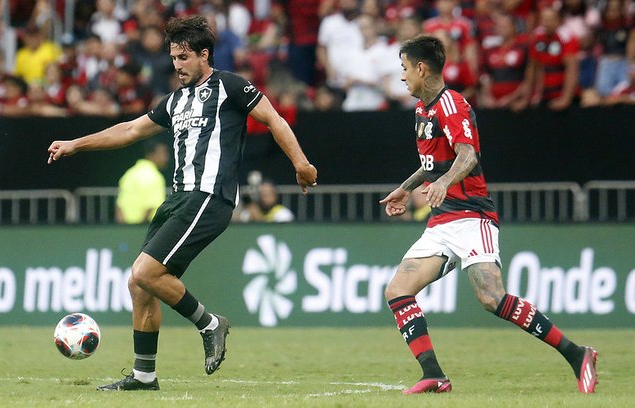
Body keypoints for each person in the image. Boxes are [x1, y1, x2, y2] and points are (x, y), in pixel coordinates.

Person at [47, 15, 317, 391]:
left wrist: (301, 163)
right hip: (177, 200)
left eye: (184, 57)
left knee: (145, 272)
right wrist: (76, 143)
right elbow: (129, 130)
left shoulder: (230, 87)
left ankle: (210, 324)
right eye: (173, 58)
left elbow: (273, 119)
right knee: (139, 285)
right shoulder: (174, 101)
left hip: (208, 196)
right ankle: (144, 376)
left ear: (204, 55)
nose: (177, 65)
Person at [378, 35, 597, 395]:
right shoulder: (423, 110)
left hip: (471, 217)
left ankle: (577, 354)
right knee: (398, 291)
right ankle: (434, 375)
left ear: (421, 68)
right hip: (442, 222)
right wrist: (407, 187)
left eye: (404, 68)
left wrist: (446, 183)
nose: (402, 77)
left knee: (491, 298)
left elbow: (467, 156)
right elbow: (433, 163)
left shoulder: (452, 105)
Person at [115, 140, 170, 224]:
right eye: (163, 153)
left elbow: (119, 205)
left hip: (125, 227)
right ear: (151, 154)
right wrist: (140, 227)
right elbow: (151, 206)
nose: (166, 158)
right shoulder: (155, 176)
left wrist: (122, 226)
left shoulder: (129, 173)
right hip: (145, 228)